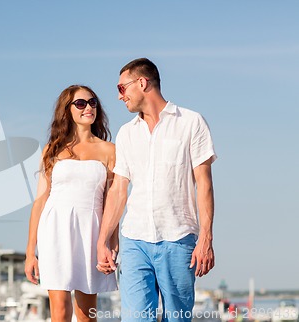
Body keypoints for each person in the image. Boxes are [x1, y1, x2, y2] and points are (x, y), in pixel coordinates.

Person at [96, 58, 217, 322]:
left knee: (177, 318)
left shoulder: (191, 122)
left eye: (121, 88)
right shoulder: (126, 133)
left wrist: (206, 238)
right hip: (134, 240)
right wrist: (103, 239)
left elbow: (204, 184)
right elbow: (118, 190)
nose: (119, 96)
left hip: (178, 238)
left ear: (142, 82)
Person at [25, 85, 118, 322]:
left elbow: (112, 202)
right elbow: (40, 201)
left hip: (91, 231)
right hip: (55, 229)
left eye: (93, 102)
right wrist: (30, 253)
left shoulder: (109, 150)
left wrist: (112, 242)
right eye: (81, 103)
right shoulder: (52, 150)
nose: (88, 107)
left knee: (87, 315)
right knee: (60, 311)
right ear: (67, 110)